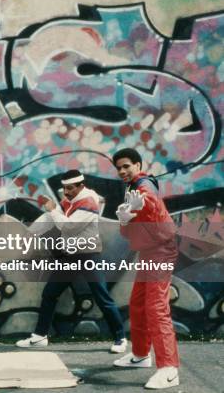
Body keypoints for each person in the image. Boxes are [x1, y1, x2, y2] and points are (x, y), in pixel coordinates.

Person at [15, 170, 127, 353]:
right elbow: (50, 218)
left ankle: (120, 338)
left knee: (102, 297)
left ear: (81, 186)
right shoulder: (71, 199)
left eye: (70, 188)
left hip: (88, 255)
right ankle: (39, 336)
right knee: (50, 293)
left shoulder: (89, 202)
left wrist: (52, 209)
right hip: (70, 256)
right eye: (64, 188)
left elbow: (68, 227)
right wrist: (29, 234)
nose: (66, 192)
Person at [112, 148, 179, 389]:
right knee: (138, 304)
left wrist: (141, 206)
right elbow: (127, 232)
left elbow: (151, 202)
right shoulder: (132, 190)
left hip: (161, 252)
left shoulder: (144, 185)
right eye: (118, 168)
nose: (122, 171)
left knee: (156, 308)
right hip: (149, 252)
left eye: (126, 166)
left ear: (138, 165)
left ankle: (169, 369)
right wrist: (125, 219)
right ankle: (140, 355)